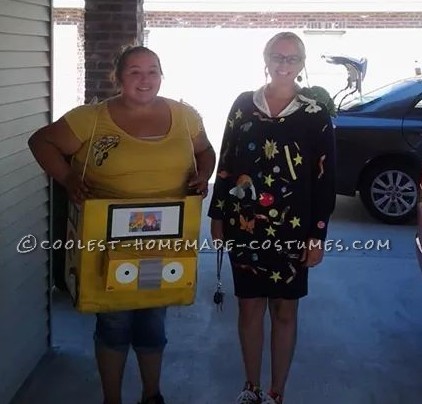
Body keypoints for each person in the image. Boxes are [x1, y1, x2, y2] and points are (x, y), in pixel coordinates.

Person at [28, 45, 216, 404]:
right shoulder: (91, 118)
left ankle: (152, 395)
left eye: (152, 70)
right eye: (134, 71)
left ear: (162, 75)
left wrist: (202, 176)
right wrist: (68, 178)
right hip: (105, 238)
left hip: (165, 239)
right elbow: (42, 141)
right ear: (117, 77)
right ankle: (111, 399)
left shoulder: (185, 115)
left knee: (153, 320)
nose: (145, 79)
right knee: (114, 323)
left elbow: (205, 151)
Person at [208, 32, 336, 404]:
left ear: (301, 63)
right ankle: (251, 387)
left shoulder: (314, 114)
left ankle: (277, 392)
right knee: (249, 307)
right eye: (277, 56)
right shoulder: (243, 105)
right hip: (245, 227)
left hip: (293, 231)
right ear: (265, 59)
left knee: (284, 309)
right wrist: (217, 216)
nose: (284, 64)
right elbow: (227, 163)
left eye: (292, 58)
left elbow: (325, 179)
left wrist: (318, 234)